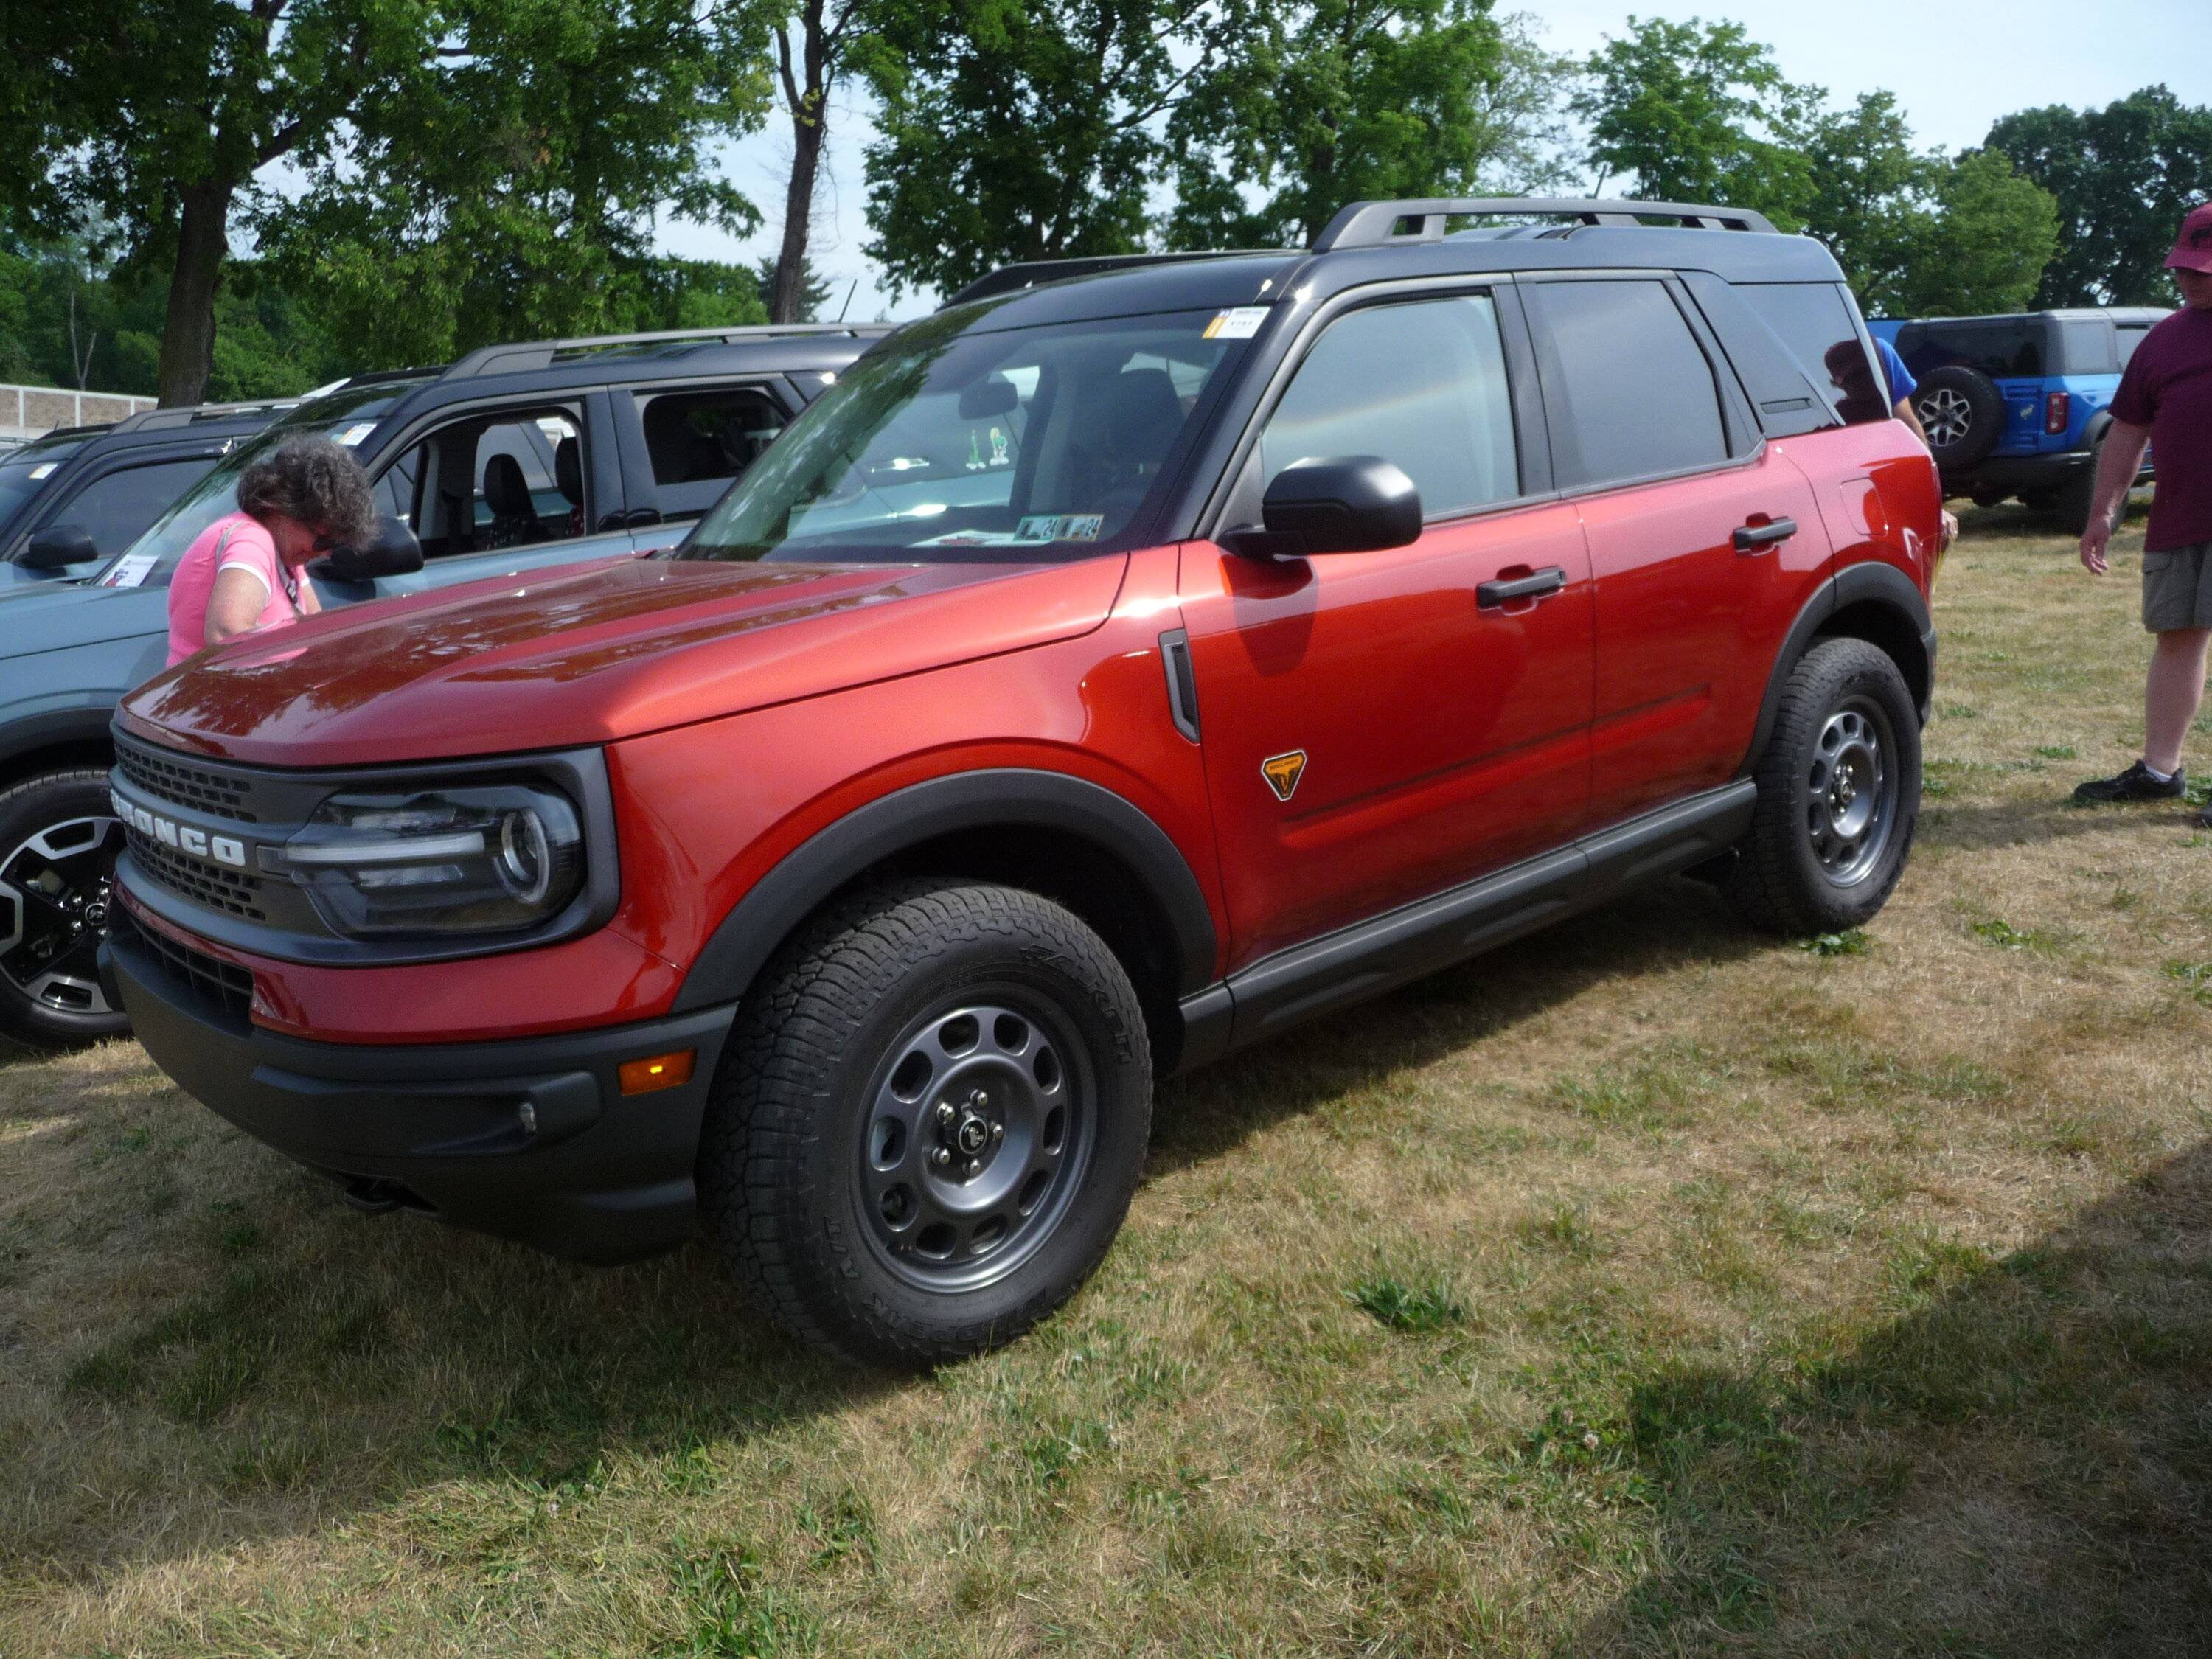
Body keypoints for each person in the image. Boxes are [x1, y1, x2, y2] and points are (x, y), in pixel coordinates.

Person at [2073, 201, 2212, 815]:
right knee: (2176, 637)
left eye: (2204, 270)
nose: (2190, 278)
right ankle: (2161, 772)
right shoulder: (2164, 338)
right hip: (2180, 517)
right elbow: (2128, 430)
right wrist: (2105, 510)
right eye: (2185, 266)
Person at [164, 436, 376, 667]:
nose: (327, 554)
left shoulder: (287, 558)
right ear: (283, 507)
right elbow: (226, 633)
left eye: (337, 545)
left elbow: (315, 630)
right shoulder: (252, 541)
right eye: (324, 542)